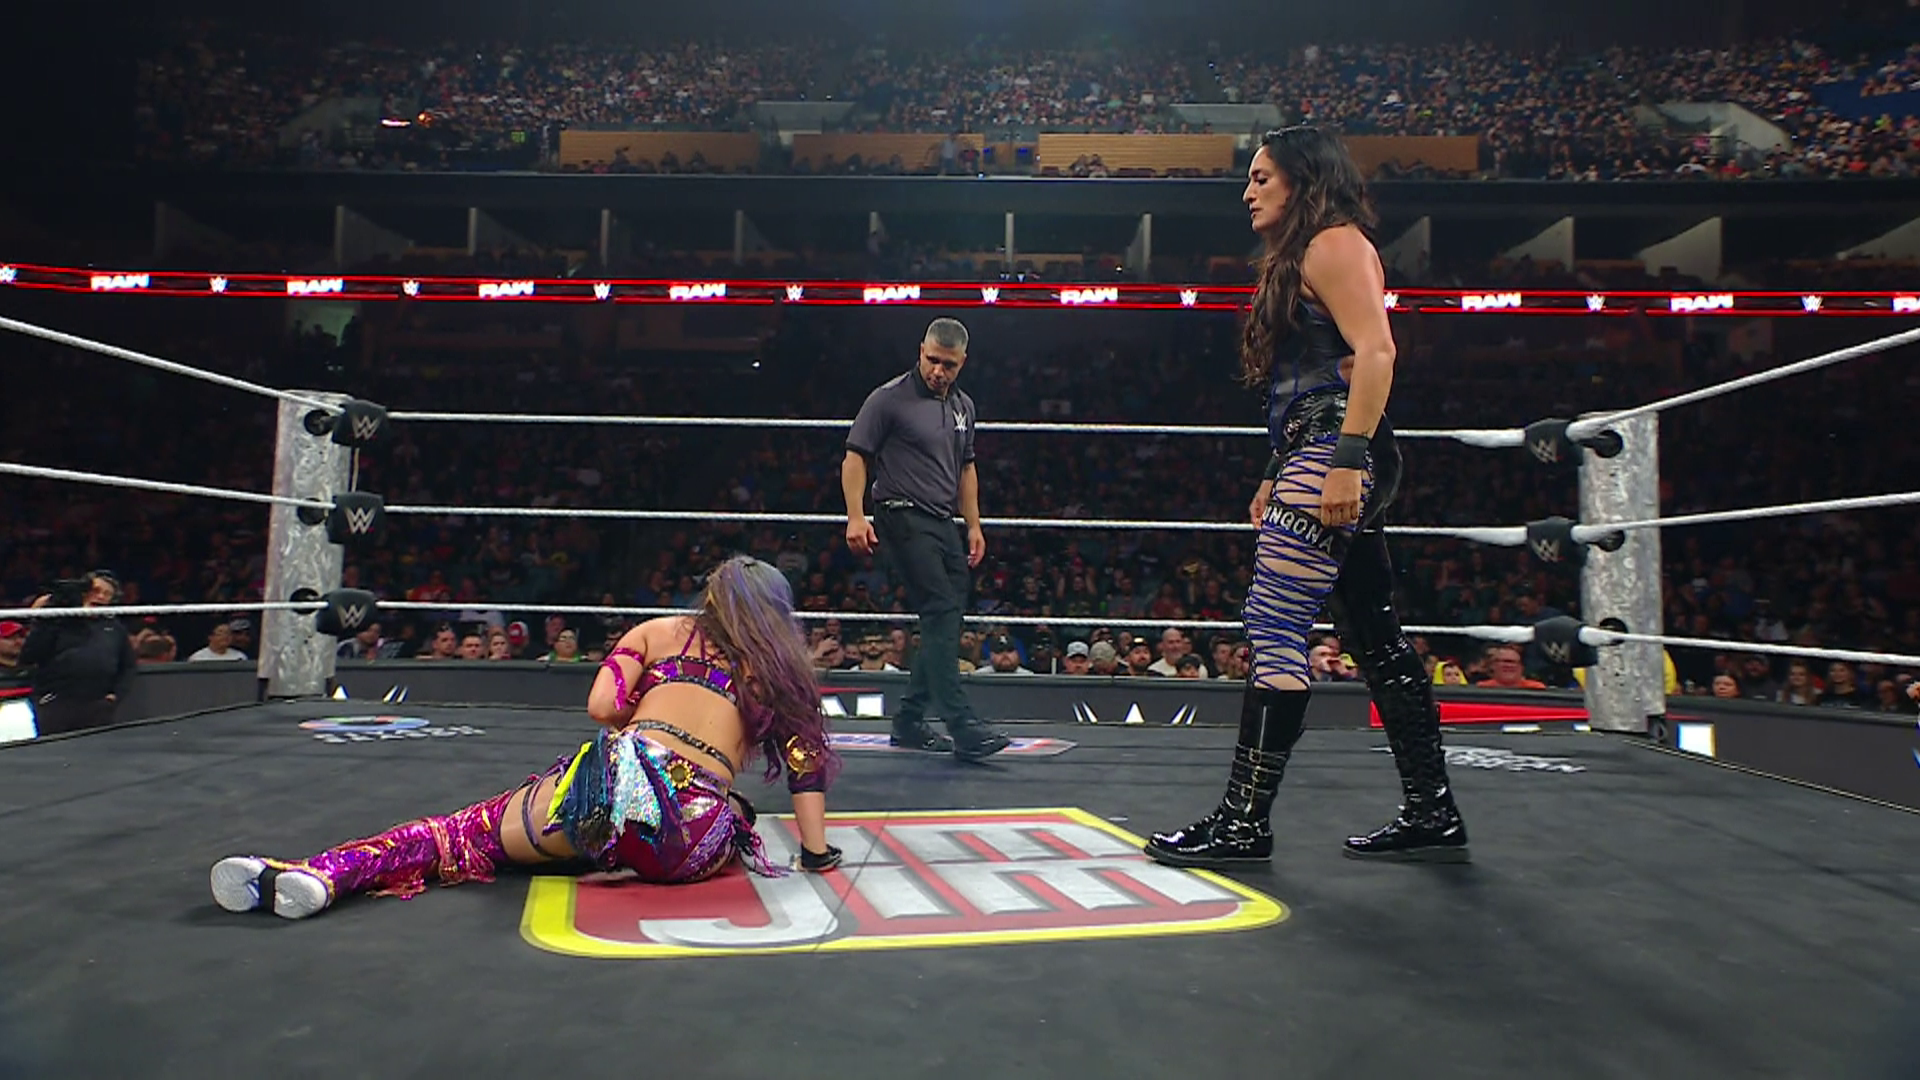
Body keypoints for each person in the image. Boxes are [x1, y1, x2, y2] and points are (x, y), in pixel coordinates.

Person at [1146, 126, 1469, 869]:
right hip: (1317, 447)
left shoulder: (1333, 244)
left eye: (1262, 178)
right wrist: (1277, 467)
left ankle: (1242, 822)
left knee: (1275, 622)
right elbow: (1314, 378)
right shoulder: (1308, 253)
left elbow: (1376, 352)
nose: (1247, 192)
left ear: (1304, 180)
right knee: (1373, 635)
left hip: (1334, 450)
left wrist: (1344, 462)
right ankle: (1432, 810)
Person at [210, 557, 844, 920]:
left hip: (621, 781)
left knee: (462, 834)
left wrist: (648, 725)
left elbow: (601, 706)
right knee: (736, 811)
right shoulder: (779, 671)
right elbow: (805, 767)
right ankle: (609, 839)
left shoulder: (658, 631)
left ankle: (319, 876)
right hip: (695, 829)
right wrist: (815, 854)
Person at [841, 317, 1011, 762]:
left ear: (962, 362)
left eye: (948, 365)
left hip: (942, 521)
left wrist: (973, 525)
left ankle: (910, 720)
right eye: (933, 360)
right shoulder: (889, 398)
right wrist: (856, 516)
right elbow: (855, 456)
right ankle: (962, 724)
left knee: (947, 618)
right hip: (899, 513)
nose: (938, 371)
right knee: (939, 608)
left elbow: (966, 468)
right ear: (921, 351)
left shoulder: (963, 407)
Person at [20, 571, 137, 737]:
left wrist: (115, 695)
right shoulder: (59, 621)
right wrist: (45, 619)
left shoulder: (115, 628)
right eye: (96, 590)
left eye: (107, 594)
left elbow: (128, 665)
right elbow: (30, 655)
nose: (100, 596)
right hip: (56, 702)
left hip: (97, 705)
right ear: (82, 592)